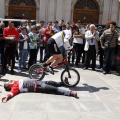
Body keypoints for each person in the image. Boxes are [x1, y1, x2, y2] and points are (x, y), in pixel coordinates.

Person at [1, 78, 77, 103]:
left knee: (52, 82)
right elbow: (11, 94)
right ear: (8, 86)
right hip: (38, 87)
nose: (8, 81)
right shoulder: (14, 88)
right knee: (53, 89)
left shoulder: (15, 81)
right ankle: (70, 93)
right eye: (7, 83)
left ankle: (64, 83)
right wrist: (6, 97)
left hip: (38, 81)